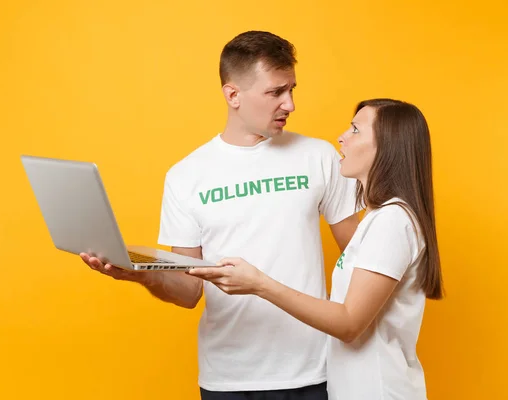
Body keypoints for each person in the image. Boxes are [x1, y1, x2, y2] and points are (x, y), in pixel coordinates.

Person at [81, 30, 360, 399]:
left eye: (291, 89)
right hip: (228, 381)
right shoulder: (186, 175)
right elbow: (187, 290)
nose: (289, 104)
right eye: (275, 92)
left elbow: (360, 256)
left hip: (313, 373)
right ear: (233, 95)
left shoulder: (319, 156)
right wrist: (138, 274)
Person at [189, 98, 445, 400]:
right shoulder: (378, 219)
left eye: (355, 130)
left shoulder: (392, 221)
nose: (342, 137)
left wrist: (259, 284)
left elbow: (350, 323)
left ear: (387, 147)